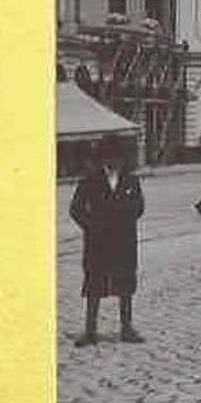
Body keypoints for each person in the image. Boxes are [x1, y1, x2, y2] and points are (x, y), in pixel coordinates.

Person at [70, 137, 146, 346]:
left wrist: (124, 219)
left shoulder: (131, 181)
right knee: (94, 284)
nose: (115, 161)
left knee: (125, 285)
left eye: (118, 157)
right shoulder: (89, 180)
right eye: (110, 157)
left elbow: (139, 207)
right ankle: (90, 331)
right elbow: (75, 209)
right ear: (102, 159)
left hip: (124, 240)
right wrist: (91, 226)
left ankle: (127, 328)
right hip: (98, 242)